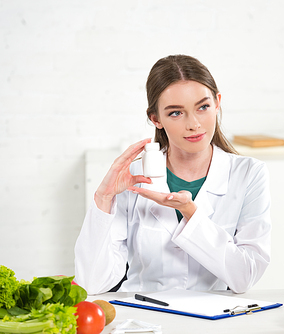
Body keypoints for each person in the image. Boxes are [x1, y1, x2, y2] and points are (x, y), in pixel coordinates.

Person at [74, 55, 271, 295]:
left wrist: (190, 213)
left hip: (212, 319)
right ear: (155, 119)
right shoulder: (133, 177)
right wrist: (104, 198)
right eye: (176, 113)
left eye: (203, 107)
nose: (194, 124)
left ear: (217, 103)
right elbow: (92, 283)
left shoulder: (249, 174)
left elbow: (244, 277)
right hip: (143, 318)